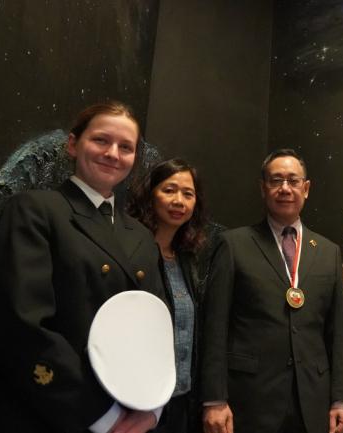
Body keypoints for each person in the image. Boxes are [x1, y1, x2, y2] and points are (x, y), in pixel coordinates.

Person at [0, 101, 166, 433]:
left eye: (125, 147)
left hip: (130, 415)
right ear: (73, 144)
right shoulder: (33, 211)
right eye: (101, 140)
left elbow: (155, 330)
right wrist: (103, 417)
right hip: (53, 413)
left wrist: (152, 409)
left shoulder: (141, 235)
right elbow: (20, 326)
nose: (113, 154)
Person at [200, 148, 343, 433]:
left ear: (306, 189)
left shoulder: (328, 251)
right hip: (251, 397)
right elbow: (215, 326)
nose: (285, 188)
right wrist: (214, 399)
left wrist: (342, 399)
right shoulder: (233, 245)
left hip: (313, 400)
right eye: (276, 180)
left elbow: (338, 333)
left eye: (293, 181)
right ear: (263, 188)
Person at [128, 158, 208, 433]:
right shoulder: (129, 253)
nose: (179, 201)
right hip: (137, 402)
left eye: (188, 194)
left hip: (181, 401)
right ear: (150, 195)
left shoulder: (187, 258)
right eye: (169, 190)